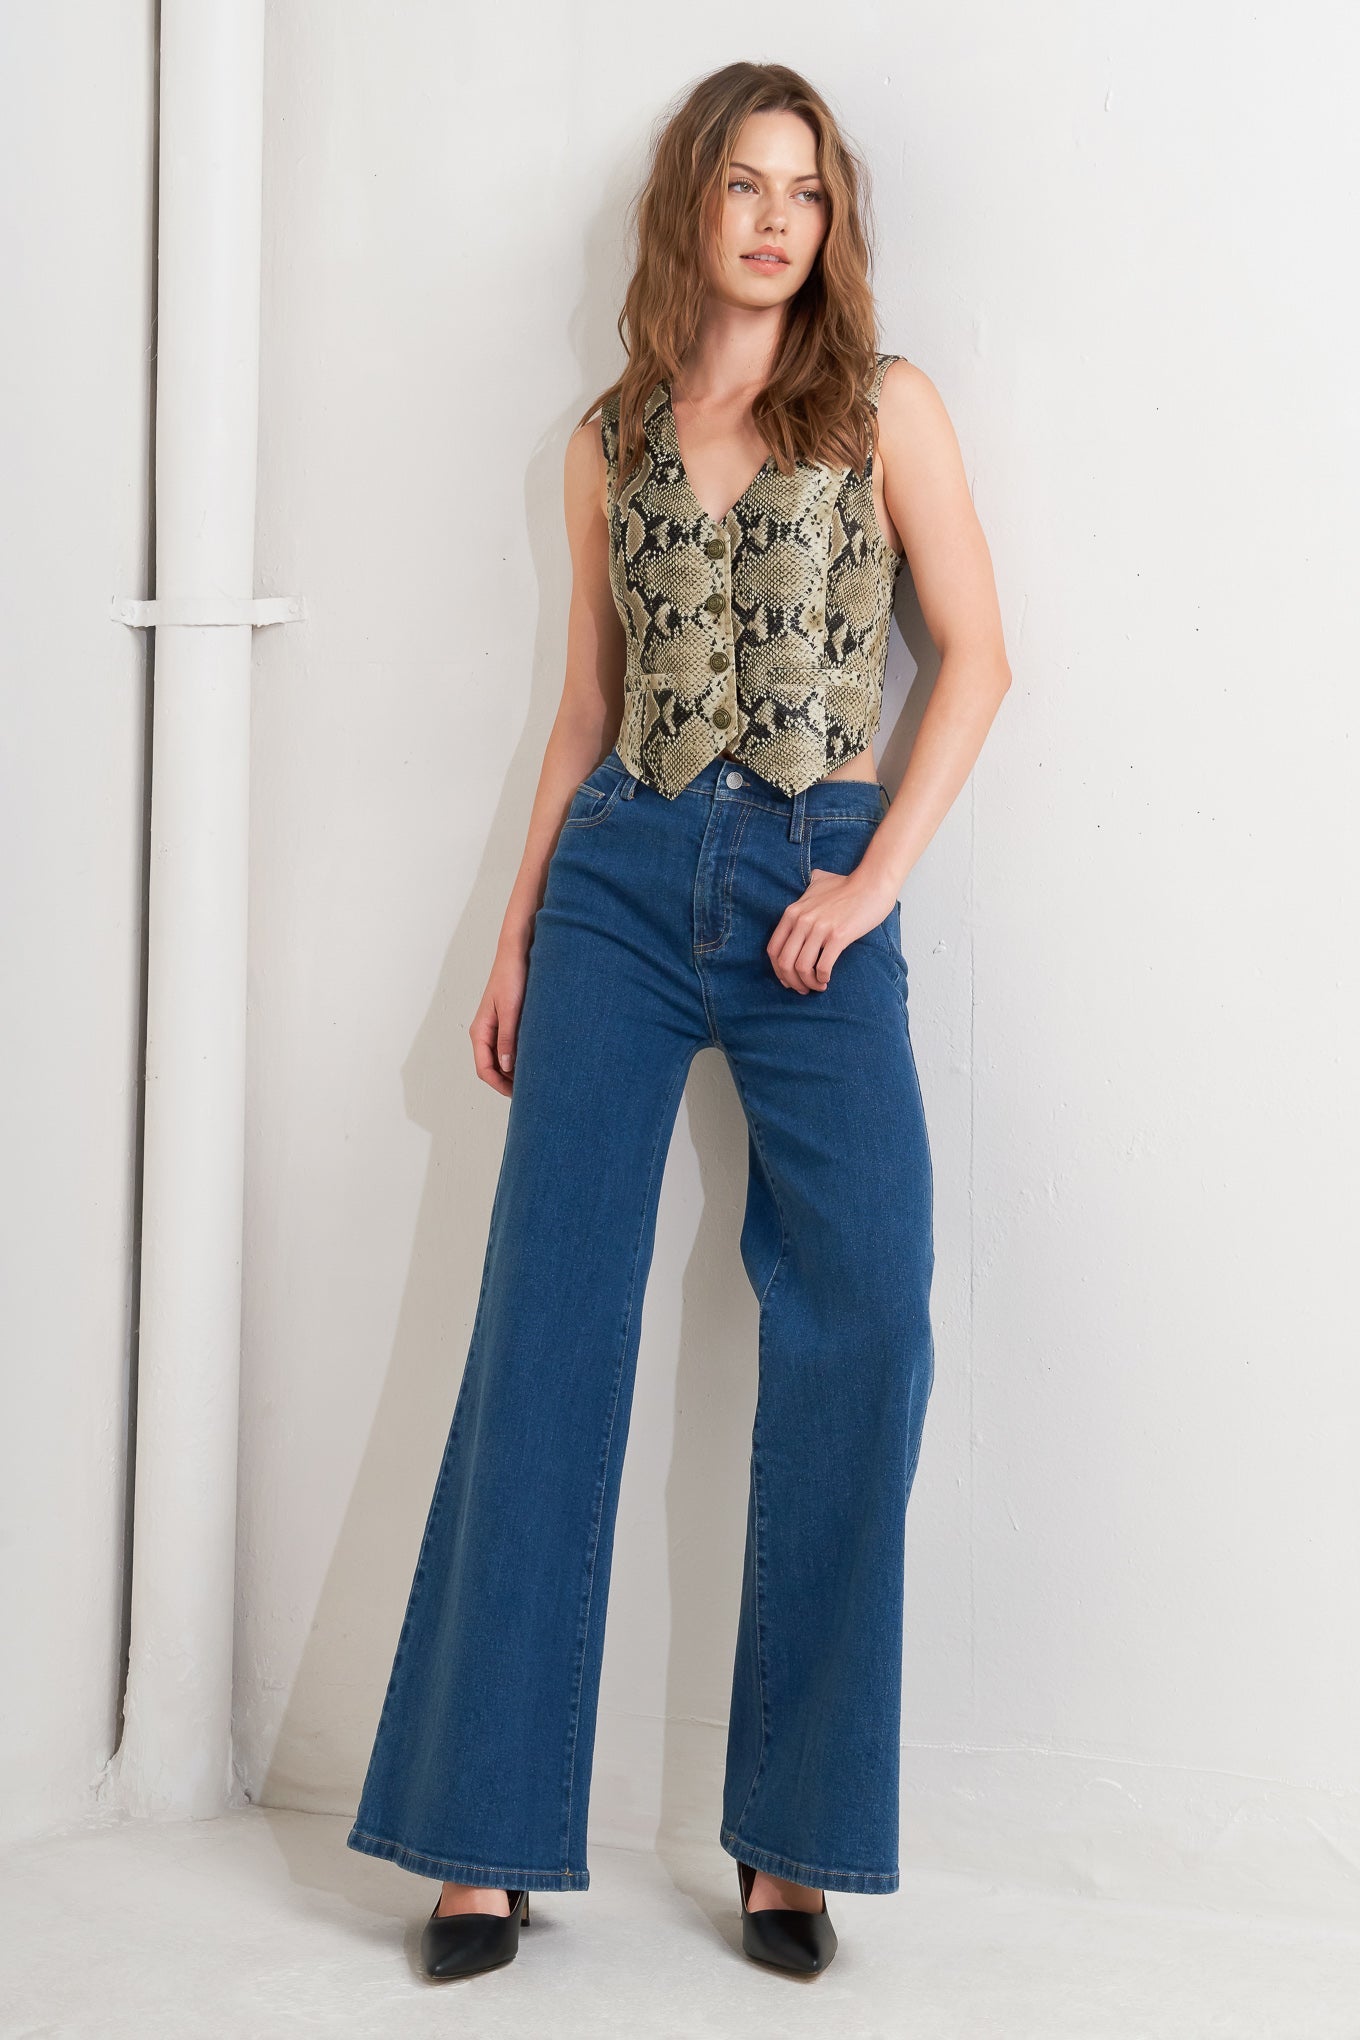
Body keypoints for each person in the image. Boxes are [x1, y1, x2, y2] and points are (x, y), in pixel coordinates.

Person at [346, 59, 1011, 1982]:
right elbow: (583, 710)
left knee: (867, 1308)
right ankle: (480, 1844)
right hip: (623, 885)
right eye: (745, 185)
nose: (777, 218)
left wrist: (869, 885)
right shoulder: (610, 435)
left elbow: (978, 659)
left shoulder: (883, 410)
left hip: (815, 882)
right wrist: (514, 939)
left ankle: (792, 1837)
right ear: (691, 208)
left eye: (807, 190)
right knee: (546, 1320)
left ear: (832, 221)